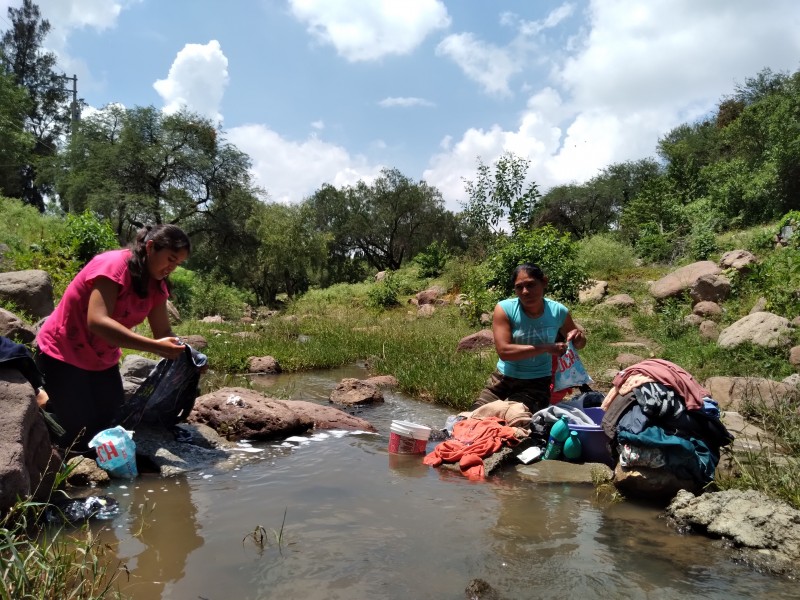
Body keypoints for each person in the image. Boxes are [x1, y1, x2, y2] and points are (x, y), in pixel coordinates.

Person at [35, 224, 191, 453]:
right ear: (150, 247)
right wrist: (151, 346)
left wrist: (189, 355)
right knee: (81, 439)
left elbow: (163, 333)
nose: (172, 267)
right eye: (170, 258)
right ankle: (43, 400)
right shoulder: (114, 266)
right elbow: (97, 322)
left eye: (177, 264)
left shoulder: (157, 285)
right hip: (61, 353)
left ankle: (59, 401)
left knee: (113, 429)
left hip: (101, 360)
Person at [472, 263, 586, 413]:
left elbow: (579, 343)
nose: (525, 291)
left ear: (544, 282)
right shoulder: (505, 308)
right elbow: (504, 351)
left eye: (531, 285)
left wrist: (577, 337)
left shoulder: (558, 311)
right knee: (474, 415)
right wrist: (546, 348)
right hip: (503, 378)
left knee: (516, 417)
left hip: (537, 382)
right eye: (519, 287)